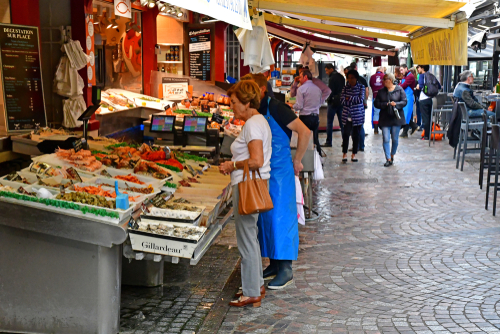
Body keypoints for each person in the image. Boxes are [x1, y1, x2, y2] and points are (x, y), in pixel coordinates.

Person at [241, 73, 311, 289]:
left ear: (261, 90)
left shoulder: (278, 108)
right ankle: (273, 263)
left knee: (281, 220)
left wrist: (297, 160)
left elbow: (304, 131)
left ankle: (286, 270)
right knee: (266, 220)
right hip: (263, 173)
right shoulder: (257, 113)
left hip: (281, 174)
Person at [219, 81, 272, 308]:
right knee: (251, 236)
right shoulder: (259, 121)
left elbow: (256, 160)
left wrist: (232, 165)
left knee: (246, 240)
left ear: (247, 102)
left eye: (234, 102)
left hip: (247, 186)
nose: (232, 107)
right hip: (256, 183)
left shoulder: (252, 124)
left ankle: (251, 292)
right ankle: (256, 284)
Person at [374, 73, 407, 167]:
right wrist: (386, 104)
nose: (383, 81)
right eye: (383, 79)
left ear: (391, 80)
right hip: (385, 118)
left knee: (395, 139)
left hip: (396, 118)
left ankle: (392, 155)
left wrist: (396, 104)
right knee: (386, 138)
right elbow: (376, 103)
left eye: (385, 79)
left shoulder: (399, 89)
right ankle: (388, 158)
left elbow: (404, 101)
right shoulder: (381, 91)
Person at [293, 69, 323, 154]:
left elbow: (299, 106)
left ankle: (304, 159)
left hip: (305, 117)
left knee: (304, 140)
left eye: (300, 77)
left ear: (305, 77)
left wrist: (291, 105)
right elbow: (320, 103)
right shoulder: (318, 89)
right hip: (315, 118)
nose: (299, 79)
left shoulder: (301, 89)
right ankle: (318, 158)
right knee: (315, 139)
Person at [341, 69, 365, 162]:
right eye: (349, 78)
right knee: (346, 134)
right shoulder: (345, 88)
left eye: (352, 78)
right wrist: (351, 99)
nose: (350, 80)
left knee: (356, 135)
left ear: (356, 78)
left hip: (357, 115)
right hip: (347, 115)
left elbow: (360, 100)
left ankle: (354, 154)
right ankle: (344, 154)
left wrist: (348, 98)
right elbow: (342, 101)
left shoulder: (361, 87)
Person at [416, 65, 441, 140]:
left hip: (423, 99)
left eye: (419, 67)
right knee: (429, 117)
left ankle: (426, 136)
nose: (418, 69)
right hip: (430, 99)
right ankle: (429, 134)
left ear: (422, 68)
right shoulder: (431, 75)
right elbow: (439, 86)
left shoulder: (421, 76)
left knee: (425, 118)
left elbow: (420, 86)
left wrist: (417, 86)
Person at [323, 63, 346, 146]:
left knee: (329, 122)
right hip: (341, 102)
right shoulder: (341, 76)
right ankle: (345, 141)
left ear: (331, 69)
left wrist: (328, 99)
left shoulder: (332, 78)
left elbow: (330, 91)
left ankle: (329, 142)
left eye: (326, 70)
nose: (326, 72)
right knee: (342, 123)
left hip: (333, 103)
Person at [350, 62, 369, 152]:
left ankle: (357, 146)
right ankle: (361, 146)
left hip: (355, 109)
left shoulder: (352, 84)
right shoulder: (363, 80)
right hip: (361, 107)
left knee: (356, 127)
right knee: (360, 126)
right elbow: (367, 92)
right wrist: (365, 102)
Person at [399, 64, 419, 137]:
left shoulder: (410, 76)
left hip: (409, 97)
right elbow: (401, 84)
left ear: (406, 68)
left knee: (406, 115)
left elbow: (403, 85)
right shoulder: (405, 76)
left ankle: (405, 133)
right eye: (400, 70)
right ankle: (414, 126)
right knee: (404, 115)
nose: (401, 72)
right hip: (405, 97)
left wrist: (396, 87)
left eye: (401, 70)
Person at [370, 67, 385, 134]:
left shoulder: (372, 77)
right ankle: (384, 128)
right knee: (384, 112)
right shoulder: (384, 76)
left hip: (375, 96)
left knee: (376, 113)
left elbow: (371, 85)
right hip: (384, 97)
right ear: (381, 70)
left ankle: (376, 130)